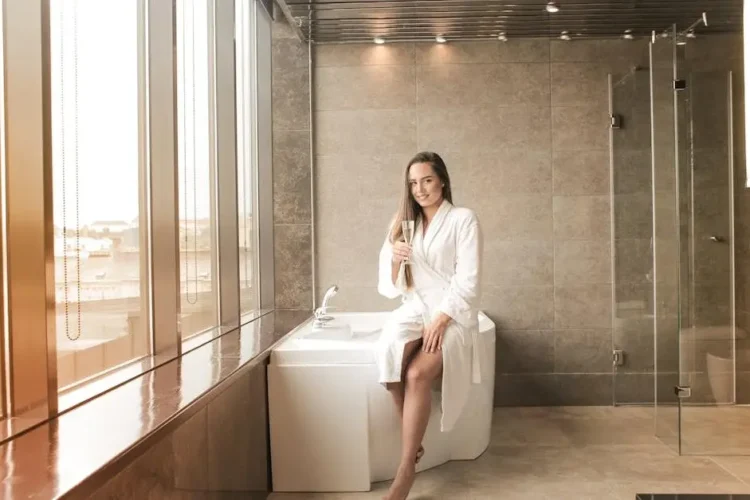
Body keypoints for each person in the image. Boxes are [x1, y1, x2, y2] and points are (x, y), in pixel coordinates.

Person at [375, 151, 483, 500]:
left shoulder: (463, 220)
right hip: (414, 307)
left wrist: (442, 319)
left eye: (427, 180)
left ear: (442, 181)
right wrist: (394, 260)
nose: (419, 189)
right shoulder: (402, 222)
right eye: (413, 183)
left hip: (451, 312)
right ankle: (414, 437)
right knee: (389, 352)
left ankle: (405, 470)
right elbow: (390, 288)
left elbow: (468, 280)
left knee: (417, 375)